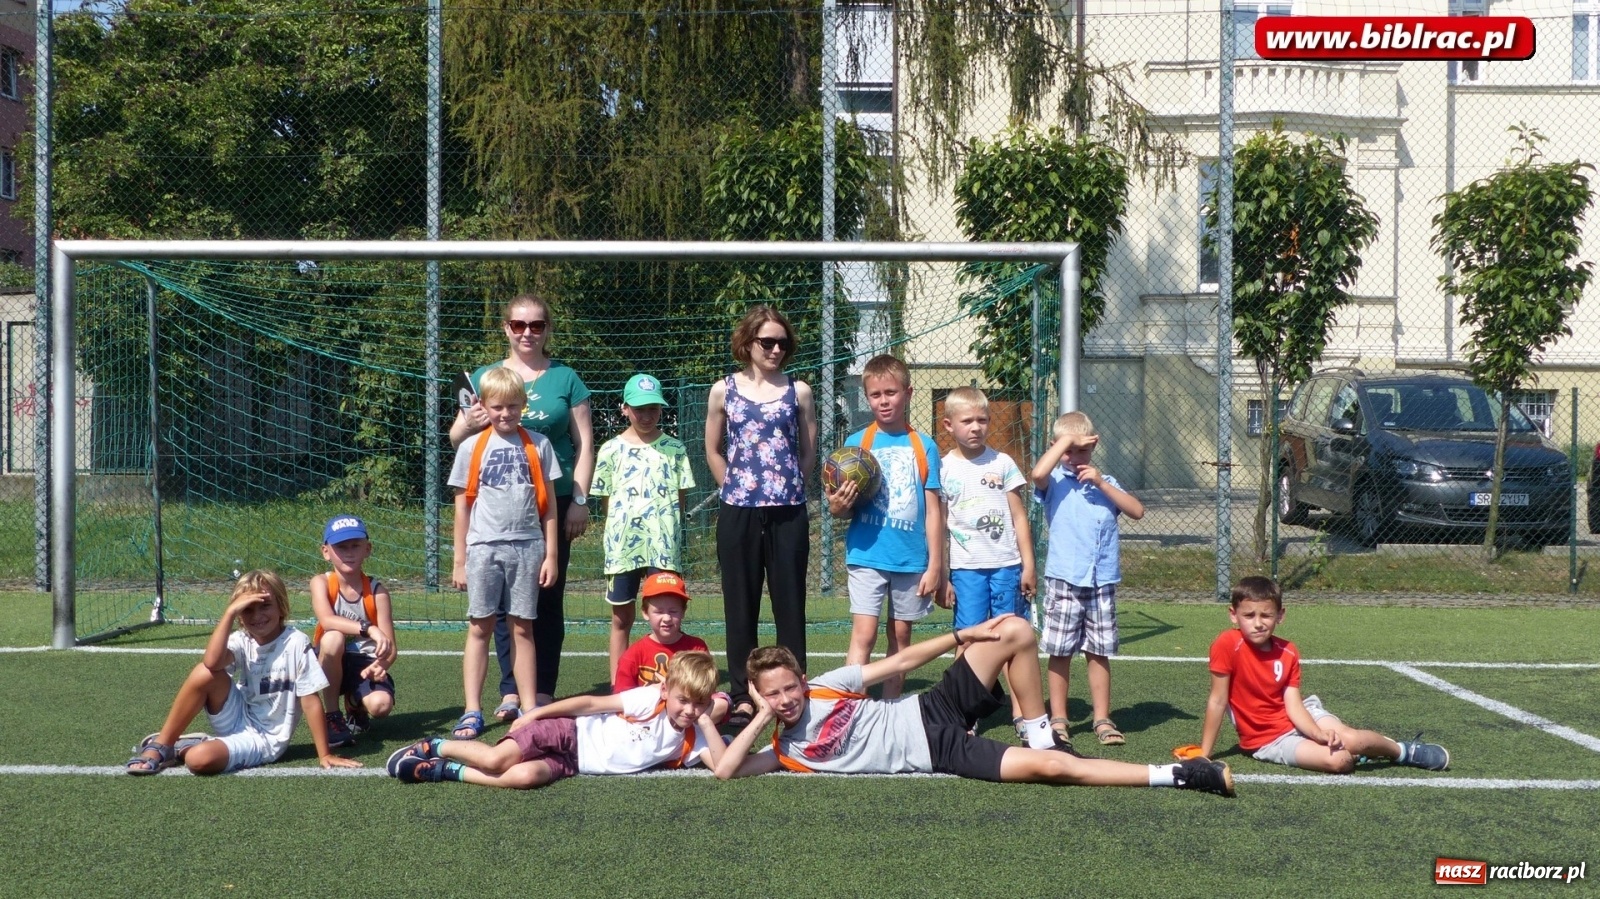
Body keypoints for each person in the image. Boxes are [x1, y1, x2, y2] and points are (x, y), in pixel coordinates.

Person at [713, 614, 1234, 798]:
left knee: (1014, 629)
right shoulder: (785, 751)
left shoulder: (827, 686)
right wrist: (759, 715)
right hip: (939, 748)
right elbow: (727, 772)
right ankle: (1183, 775)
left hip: (931, 707)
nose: (785, 700)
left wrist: (961, 635)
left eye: (789, 688)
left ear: (802, 681)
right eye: (772, 693)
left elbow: (900, 663)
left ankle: (1035, 728)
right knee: (1056, 769)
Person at [451, 293, 594, 715]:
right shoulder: (484, 377)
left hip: (552, 501)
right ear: (506, 328)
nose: (527, 332)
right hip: (496, 505)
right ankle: (509, 689)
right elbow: (459, 440)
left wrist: (579, 500)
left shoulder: (566, 378)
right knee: (496, 606)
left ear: (548, 329)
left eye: (536, 325)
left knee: (544, 598)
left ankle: (541, 690)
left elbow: (585, 444)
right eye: (518, 325)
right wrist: (467, 423)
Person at [1198, 576, 1450, 772]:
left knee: (1350, 739)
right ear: (1233, 615)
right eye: (1249, 615)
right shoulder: (1226, 644)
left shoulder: (1288, 651)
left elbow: (1293, 705)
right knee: (1340, 761)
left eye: (1266, 615)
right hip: (1268, 740)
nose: (1258, 622)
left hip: (1302, 717)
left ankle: (1402, 751)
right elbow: (1218, 700)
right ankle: (1358, 753)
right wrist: (1204, 753)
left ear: (1280, 616)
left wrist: (1316, 733)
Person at [124, 570, 360, 775]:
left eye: (265, 606)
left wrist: (324, 754)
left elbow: (310, 701)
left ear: (281, 607)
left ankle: (188, 747)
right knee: (204, 672)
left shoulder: (296, 642)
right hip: (237, 716)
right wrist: (228, 613)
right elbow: (212, 662)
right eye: (247, 610)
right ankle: (162, 745)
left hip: (264, 739)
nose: (257, 616)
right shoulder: (241, 639)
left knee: (198, 760)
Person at [704, 305, 817, 727]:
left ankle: (795, 689)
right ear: (748, 343)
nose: (774, 349)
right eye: (766, 342)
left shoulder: (799, 390)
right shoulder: (723, 390)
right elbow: (713, 449)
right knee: (741, 604)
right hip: (739, 513)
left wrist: (787, 486)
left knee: (790, 604)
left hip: (788, 511)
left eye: (781, 343)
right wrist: (732, 489)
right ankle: (743, 693)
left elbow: (806, 451)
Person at [386, 651, 727, 789]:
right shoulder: (650, 698)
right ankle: (436, 745)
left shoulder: (693, 737)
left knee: (522, 777)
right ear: (666, 690)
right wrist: (536, 713)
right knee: (496, 758)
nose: (689, 711)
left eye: (699, 705)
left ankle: (443, 770)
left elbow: (724, 767)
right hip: (568, 732)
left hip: (577, 763)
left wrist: (708, 720)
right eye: (683, 701)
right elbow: (592, 703)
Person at [448, 366, 561, 738]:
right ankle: (472, 709)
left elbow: (549, 507)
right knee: (479, 626)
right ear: (482, 405)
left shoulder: (539, 444)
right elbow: (462, 505)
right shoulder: (471, 447)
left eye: (513, 406)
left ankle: (529, 708)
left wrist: (551, 554)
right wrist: (460, 559)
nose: (505, 414)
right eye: (497, 407)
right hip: (482, 548)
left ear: (523, 405)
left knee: (523, 628)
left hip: (528, 547)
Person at [826, 354, 944, 700]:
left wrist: (936, 565)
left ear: (908, 393)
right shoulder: (856, 443)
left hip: (910, 560)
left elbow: (934, 511)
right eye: (875, 395)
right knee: (863, 635)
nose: (883, 400)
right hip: (867, 555)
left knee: (901, 637)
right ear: (867, 397)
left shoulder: (925, 446)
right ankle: (850, 708)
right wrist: (837, 507)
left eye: (891, 393)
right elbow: (841, 509)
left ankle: (892, 708)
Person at [1030, 411, 1144, 750]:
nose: (1077, 458)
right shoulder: (1055, 483)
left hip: (1101, 582)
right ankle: (1059, 718)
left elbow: (1137, 511)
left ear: (1094, 448)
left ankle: (1102, 717)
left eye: (1083, 450)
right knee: (1060, 651)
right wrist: (1067, 442)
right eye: (1070, 451)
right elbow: (1037, 473)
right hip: (1064, 580)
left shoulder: (1103, 481)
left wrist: (1101, 483)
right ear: (1057, 448)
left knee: (1098, 651)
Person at [938, 386, 1036, 740]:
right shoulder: (944, 469)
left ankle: (1023, 714)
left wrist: (1029, 564)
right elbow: (940, 526)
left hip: (1007, 566)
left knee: (1012, 637)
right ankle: (964, 711)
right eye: (967, 421)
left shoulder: (1003, 463)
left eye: (982, 419)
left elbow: (1019, 518)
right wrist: (943, 575)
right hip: (966, 572)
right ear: (949, 425)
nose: (976, 427)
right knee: (968, 641)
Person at [591, 372, 695, 676]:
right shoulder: (610, 449)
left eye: (653, 408)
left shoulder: (674, 449)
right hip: (623, 548)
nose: (646, 415)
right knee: (621, 618)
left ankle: (670, 683)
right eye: (639, 409)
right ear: (624, 409)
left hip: (662, 548)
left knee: (666, 618)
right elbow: (607, 500)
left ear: (661, 410)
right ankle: (619, 685)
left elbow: (681, 496)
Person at [309, 514, 397, 747]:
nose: (349, 552)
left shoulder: (378, 592)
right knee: (333, 638)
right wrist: (369, 629)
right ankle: (332, 716)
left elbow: (391, 649)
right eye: (341, 547)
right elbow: (327, 621)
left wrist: (382, 665)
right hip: (328, 658)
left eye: (355, 546)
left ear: (367, 549)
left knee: (381, 706)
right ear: (326, 551)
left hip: (363, 662)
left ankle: (355, 704)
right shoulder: (321, 583)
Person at [612, 571, 711, 692]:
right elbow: (622, 699)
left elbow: (706, 693)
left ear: (683, 611)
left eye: (673, 611)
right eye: (659, 612)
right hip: (649, 710)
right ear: (645, 612)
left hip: (688, 710)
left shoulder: (697, 648)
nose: (667, 618)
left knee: (723, 702)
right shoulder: (633, 655)